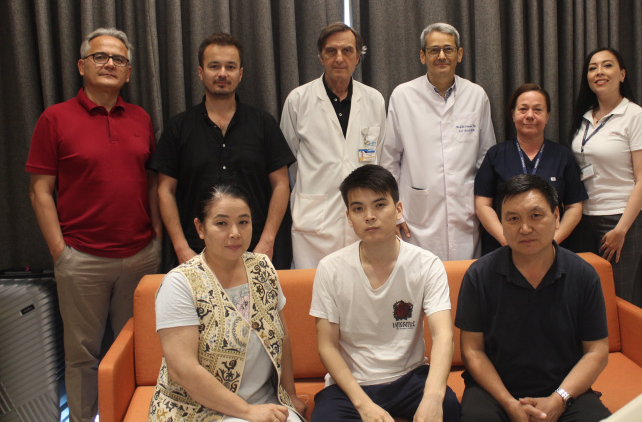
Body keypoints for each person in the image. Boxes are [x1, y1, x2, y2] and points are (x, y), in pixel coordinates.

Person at [26, 27, 162, 422]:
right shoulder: (55, 118)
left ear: (129, 72)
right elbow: (39, 191)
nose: (109, 64)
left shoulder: (140, 118)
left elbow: (153, 181)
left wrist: (155, 235)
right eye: (100, 56)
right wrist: (60, 252)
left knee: (136, 350)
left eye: (118, 59)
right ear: (82, 65)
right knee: (82, 356)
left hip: (140, 257)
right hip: (81, 260)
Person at [310, 165, 461, 422]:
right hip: (351, 385)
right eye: (358, 209)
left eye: (380, 205)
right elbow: (327, 346)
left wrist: (433, 397)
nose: (370, 216)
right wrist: (364, 405)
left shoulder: (427, 265)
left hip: (410, 378)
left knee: (448, 408)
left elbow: (443, 335)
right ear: (349, 217)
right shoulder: (330, 269)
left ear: (398, 209)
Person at [456, 174, 611, 422]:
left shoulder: (583, 275)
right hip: (495, 391)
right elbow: (472, 350)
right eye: (513, 219)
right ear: (501, 223)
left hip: (563, 389)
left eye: (536, 216)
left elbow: (596, 351)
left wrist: (559, 399)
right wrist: (509, 403)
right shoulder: (479, 275)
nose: (525, 228)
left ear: (557, 216)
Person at [149, 183, 306, 422]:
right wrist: (247, 412)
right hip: (199, 411)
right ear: (200, 228)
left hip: (265, 402)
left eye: (243, 222)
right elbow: (183, 370)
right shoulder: (180, 283)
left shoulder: (262, 268)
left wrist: (291, 395)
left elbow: (282, 335)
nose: (235, 233)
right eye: (221, 223)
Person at [151, 32, 295, 267]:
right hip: (195, 253)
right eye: (214, 66)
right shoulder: (179, 127)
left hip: (255, 249)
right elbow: (165, 190)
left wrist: (268, 241)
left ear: (240, 73)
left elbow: (281, 184)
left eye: (230, 67)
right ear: (200, 72)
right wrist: (180, 247)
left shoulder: (263, 124)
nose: (222, 73)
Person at [380, 22, 495, 261]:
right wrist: (393, 213)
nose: (441, 56)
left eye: (448, 49)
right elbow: (389, 160)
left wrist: (486, 210)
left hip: (466, 216)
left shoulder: (476, 95)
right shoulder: (403, 96)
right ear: (423, 56)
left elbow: (487, 158)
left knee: (463, 278)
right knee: (421, 277)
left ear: (459, 54)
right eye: (434, 50)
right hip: (416, 219)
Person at [280, 22, 386, 268]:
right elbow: (289, 164)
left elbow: (379, 157)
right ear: (321, 56)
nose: (339, 58)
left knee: (361, 285)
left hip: (363, 219)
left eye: (347, 51)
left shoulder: (374, 100)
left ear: (357, 57)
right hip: (314, 222)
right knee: (313, 287)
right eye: (331, 51)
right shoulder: (298, 100)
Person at [568, 47, 642, 305]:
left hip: (618, 219)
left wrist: (621, 229)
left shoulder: (635, 116)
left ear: (622, 74)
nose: (599, 72)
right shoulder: (584, 117)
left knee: (616, 300)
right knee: (584, 297)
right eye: (592, 68)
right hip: (583, 218)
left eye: (607, 65)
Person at [475, 84, 587, 255]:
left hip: (551, 251)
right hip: (503, 248)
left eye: (537, 110)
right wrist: (507, 240)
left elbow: (574, 207)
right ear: (513, 115)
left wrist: (551, 242)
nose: (529, 115)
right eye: (523, 109)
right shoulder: (496, 155)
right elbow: (483, 204)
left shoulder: (562, 156)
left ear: (548, 116)